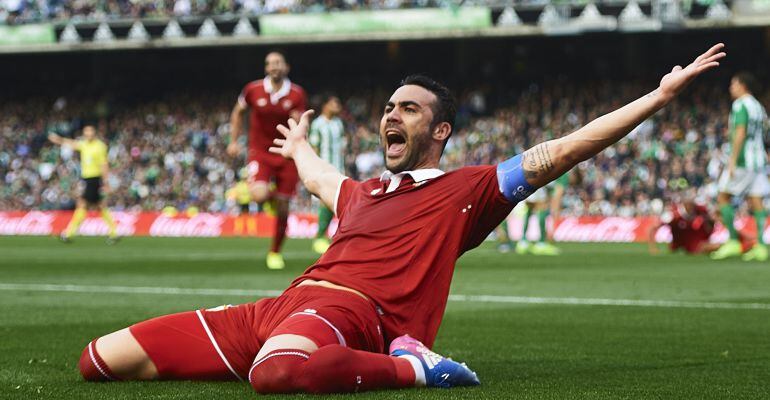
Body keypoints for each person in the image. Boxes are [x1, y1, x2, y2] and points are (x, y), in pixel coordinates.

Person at [77, 44, 725, 394]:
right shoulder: (361, 193)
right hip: (282, 307)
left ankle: (417, 366)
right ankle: (344, 356)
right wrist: (298, 147)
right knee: (100, 361)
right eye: (389, 106)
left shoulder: (469, 189)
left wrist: (659, 97)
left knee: (276, 375)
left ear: (440, 129)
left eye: (409, 109)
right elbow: (322, 179)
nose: (392, 114)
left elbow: (567, 148)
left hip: (350, 313)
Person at [228, 51, 307, 269]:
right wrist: (233, 141)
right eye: (270, 64)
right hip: (260, 152)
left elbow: (300, 123)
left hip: (286, 153)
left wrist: (298, 129)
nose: (274, 67)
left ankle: (275, 252)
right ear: (266, 68)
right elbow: (237, 113)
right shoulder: (252, 90)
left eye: (278, 63)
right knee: (259, 195)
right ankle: (271, 198)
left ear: (286, 67)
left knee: (283, 208)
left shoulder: (297, 94)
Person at [711, 72, 769, 261]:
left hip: (743, 160)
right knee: (756, 200)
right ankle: (761, 246)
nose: (731, 88)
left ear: (743, 85)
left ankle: (734, 242)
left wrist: (733, 160)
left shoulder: (740, 105)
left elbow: (741, 132)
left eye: (733, 84)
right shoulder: (759, 107)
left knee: (723, 197)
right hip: (759, 160)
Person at [48, 125, 118, 244]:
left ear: (94, 133)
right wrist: (58, 140)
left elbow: (104, 164)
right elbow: (72, 143)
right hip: (88, 179)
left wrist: (106, 182)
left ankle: (69, 233)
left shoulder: (100, 146)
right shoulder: (84, 144)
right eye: (86, 132)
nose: (88, 134)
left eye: (90, 132)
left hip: (94, 178)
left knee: (82, 204)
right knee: (100, 206)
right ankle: (113, 233)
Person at [308, 95, 345, 254]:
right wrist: (314, 169)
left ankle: (328, 235)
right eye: (334, 103)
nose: (337, 105)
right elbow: (314, 147)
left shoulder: (338, 123)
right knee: (326, 202)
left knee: (336, 203)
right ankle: (319, 237)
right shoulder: (317, 124)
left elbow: (342, 148)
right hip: (323, 168)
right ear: (325, 105)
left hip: (339, 168)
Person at [226, 169, 256, 236]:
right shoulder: (240, 185)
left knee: (249, 217)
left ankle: (251, 231)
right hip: (241, 202)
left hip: (249, 202)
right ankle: (238, 230)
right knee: (240, 217)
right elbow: (235, 193)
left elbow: (252, 193)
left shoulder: (249, 184)